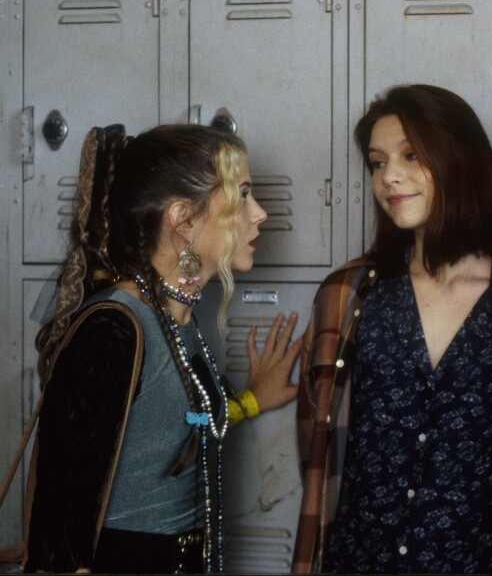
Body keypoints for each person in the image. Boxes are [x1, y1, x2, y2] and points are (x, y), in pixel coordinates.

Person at [292, 84, 492, 573]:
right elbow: (318, 453)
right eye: (377, 163)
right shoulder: (348, 296)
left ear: (461, 161)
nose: (389, 177)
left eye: (411, 155)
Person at [25, 124, 302, 573]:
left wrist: (251, 400)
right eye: (242, 195)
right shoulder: (113, 327)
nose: (260, 214)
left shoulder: (178, 320)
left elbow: (176, 420)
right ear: (182, 219)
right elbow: (60, 505)